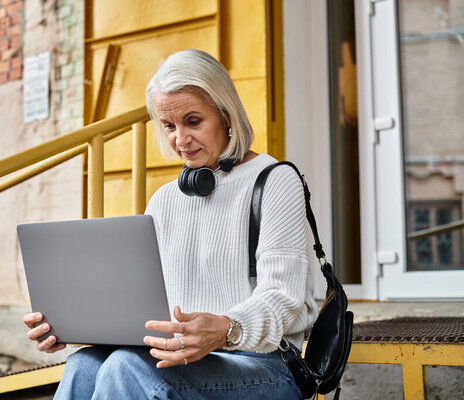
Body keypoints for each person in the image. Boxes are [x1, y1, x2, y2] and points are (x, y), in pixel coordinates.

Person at [23, 48, 318, 399]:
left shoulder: (275, 181)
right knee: (83, 364)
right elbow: (141, 306)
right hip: (180, 361)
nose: (180, 139)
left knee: (125, 368)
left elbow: (285, 299)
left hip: (263, 368)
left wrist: (226, 329)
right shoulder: (164, 199)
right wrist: (69, 325)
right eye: (169, 126)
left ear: (227, 115)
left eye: (193, 122)